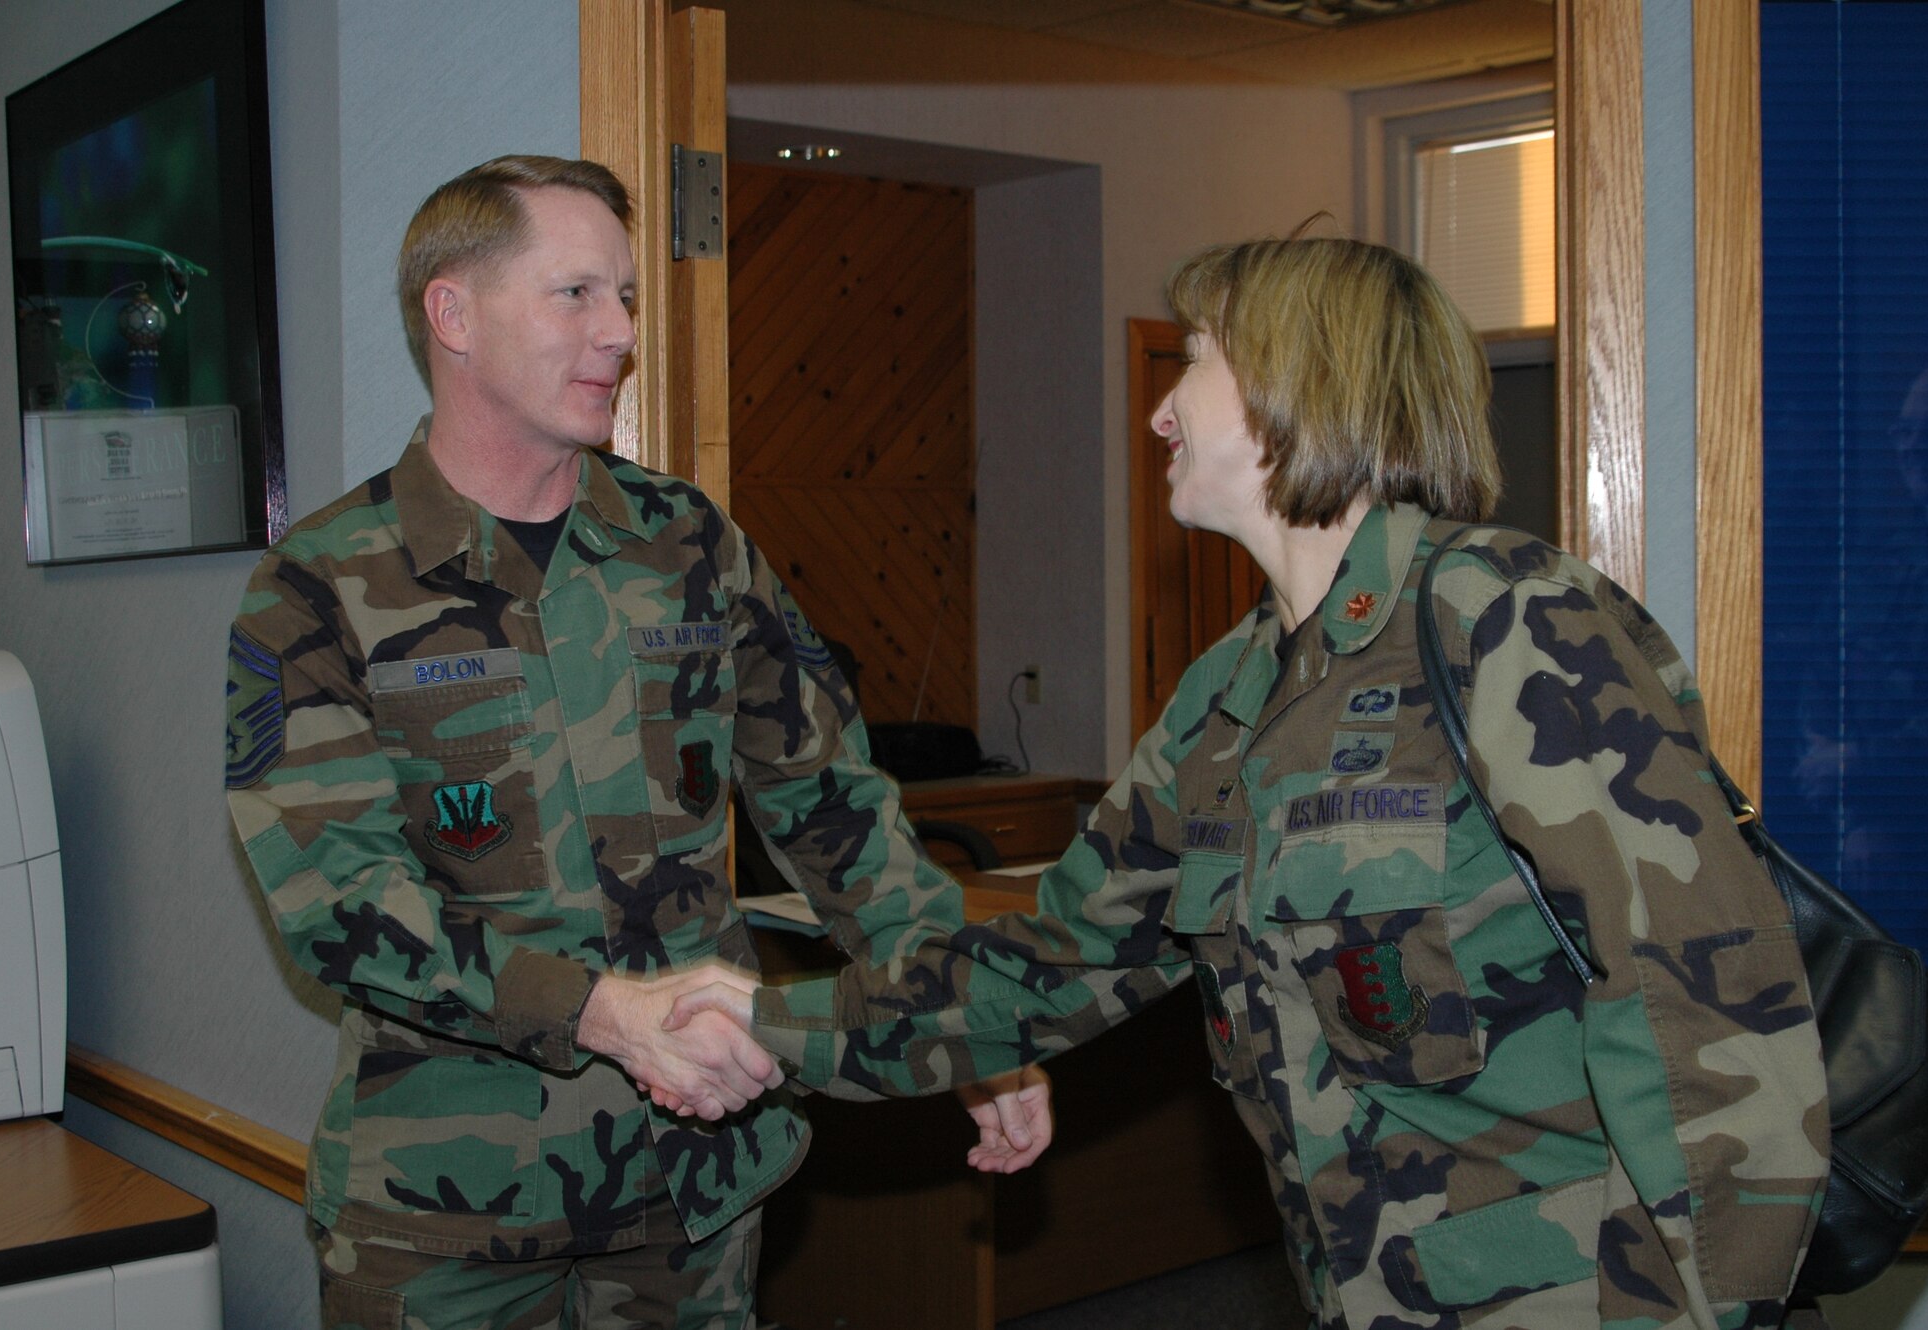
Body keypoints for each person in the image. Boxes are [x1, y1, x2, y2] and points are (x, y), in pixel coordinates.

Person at [687, 231, 1831, 1328]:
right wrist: (754, 1025)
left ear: (1302, 382)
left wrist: (1709, 1308)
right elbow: (1052, 964)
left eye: (1193, 359)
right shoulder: (1226, 696)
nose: (1159, 407)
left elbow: (1707, 998)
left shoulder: (1501, 620)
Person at [223, 154, 1046, 1329]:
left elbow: (835, 805)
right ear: (451, 312)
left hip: (690, 1192)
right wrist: (602, 1013)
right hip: (449, 1212)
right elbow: (339, 907)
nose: (618, 331)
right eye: (576, 295)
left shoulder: (689, 546)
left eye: (625, 297)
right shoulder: (318, 585)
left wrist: (953, 1017)